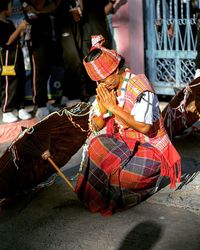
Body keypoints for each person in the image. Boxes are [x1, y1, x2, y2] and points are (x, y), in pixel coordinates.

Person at [75, 35, 182, 216]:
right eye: (98, 81)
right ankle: (102, 191)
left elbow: (144, 128)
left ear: (117, 70)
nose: (101, 84)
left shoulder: (140, 86)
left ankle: (143, 187)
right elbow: (94, 126)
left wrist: (113, 108)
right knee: (96, 145)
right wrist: (102, 108)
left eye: (104, 79)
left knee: (126, 177)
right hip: (125, 142)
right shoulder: (106, 88)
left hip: (149, 147)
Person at [55, 0, 115, 106]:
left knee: (97, 55)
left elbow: (106, 7)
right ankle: (75, 94)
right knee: (76, 58)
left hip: (93, 19)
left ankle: (96, 93)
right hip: (73, 19)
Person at [22, 0, 58, 120]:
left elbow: (53, 6)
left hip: (46, 29)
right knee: (38, 70)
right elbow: (39, 4)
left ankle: (45, 102)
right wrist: (41, 9)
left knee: (47, 69)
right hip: (34, 33)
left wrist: (40, 10)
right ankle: (40, 104)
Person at [0, 0, 32, 123]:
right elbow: (7, 41)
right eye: (10, 6)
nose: (12, 9)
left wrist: (22, 31)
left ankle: (20, 108)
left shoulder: (9, 22)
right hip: (8, 56)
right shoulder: (0, 24)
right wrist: (19, 28)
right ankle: (6, 110)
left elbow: (15, 37)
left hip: (17, 54)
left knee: (21, 80)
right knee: (10, 82)